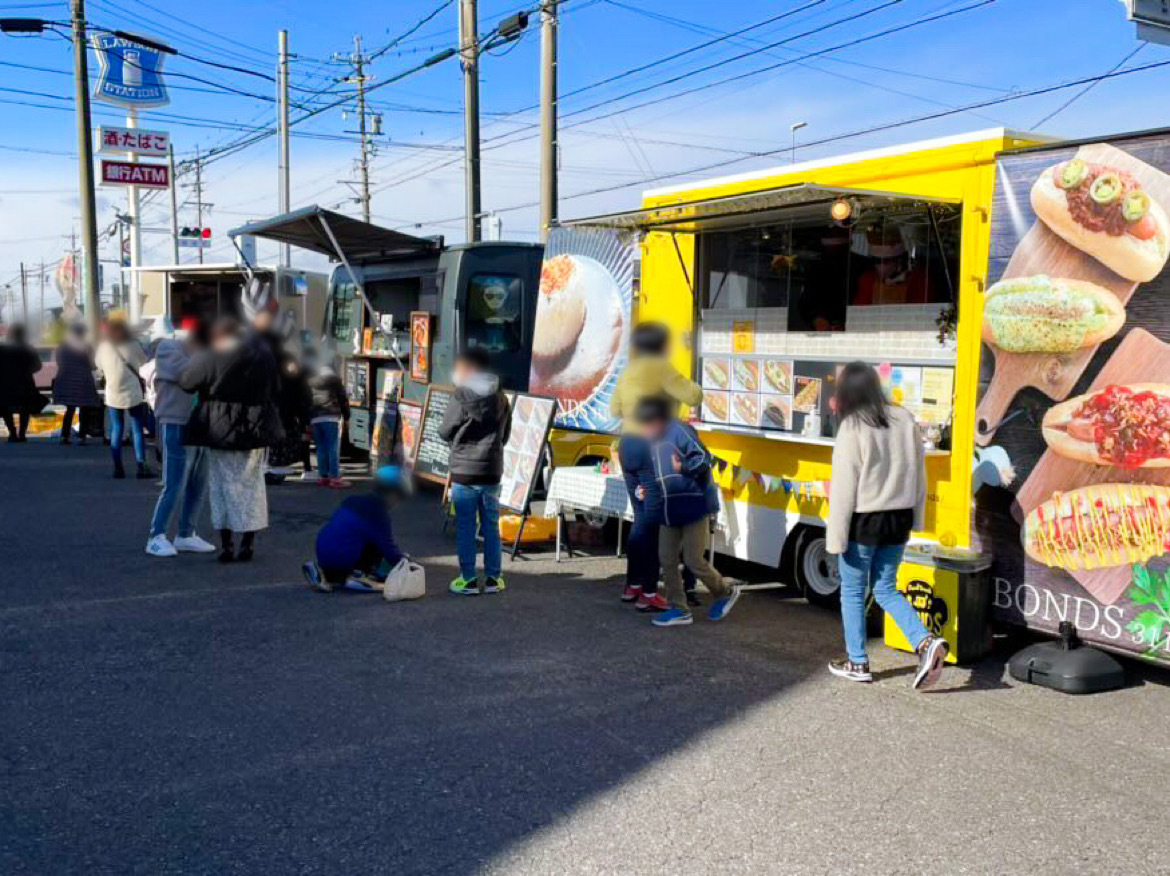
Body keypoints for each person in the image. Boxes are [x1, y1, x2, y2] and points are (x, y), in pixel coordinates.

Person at [826, 361, 948, 689]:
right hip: (900, 518)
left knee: (852, 591)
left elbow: (842, 489)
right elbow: (919, 474)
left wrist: (835, 539)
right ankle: (925, 642)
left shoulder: (853, 426)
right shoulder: (904, 418)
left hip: (864, 521)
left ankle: (857, 661)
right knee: (885, 588)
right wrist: (918, 517)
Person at [609, 322, 703, 612]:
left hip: (627, 447)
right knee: (653, 521)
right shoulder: (662, 368)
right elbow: (694, 396)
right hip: (651, 447)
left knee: (640, 518)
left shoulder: (629, 370)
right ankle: (649, 591)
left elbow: (614, 409)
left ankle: (632, 585)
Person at [623, 398, 740, 628]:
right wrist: (644, 488)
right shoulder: (652, 442)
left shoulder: (679, 431)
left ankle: (724, 591)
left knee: (693, 559)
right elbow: (656, 475)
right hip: (669, 508)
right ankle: (679, 608)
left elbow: (704, 458)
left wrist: (683, 467)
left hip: (693, 505)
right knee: (666, 558)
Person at [180, 317, 283, 563]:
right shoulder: (263, 353)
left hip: (219, 426)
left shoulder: (212, 353)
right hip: (255, 426)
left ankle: (226, 545)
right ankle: (248, 543)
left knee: (221, 485)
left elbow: (187, 382)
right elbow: (277, 386)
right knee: (252, 485)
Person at [439, 347, 510, 596]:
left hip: (464, 471)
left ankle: (468, 579)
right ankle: (493, 579)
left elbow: (445, 430)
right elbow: (506, 435)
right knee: (491, 525)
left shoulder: (460, 395)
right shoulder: (501, 398)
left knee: (466, 526)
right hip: (491, 470)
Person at [143, 324, 216, 558]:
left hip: (202, 425)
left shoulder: (205, 354)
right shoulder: (168, 348)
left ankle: (186, 533)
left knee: (198, 482)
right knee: (175, 482)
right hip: (176, 422)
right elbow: (188, 374)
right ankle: (156, 535)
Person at [303, 464, 409, 593]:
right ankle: (358, 574)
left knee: (355, 535)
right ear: (392, 493)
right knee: (377, 543)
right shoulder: (378, 514)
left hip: (323, 552)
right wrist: (406, 564)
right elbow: (388, 548)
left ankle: (325, 572)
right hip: (343, 558)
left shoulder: (351, 500)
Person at [95, 318, 152, 478]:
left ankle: (118, 468)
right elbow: (143, 363)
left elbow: (98, 366)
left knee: (117, 428)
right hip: (133, 392)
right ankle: (141, 466)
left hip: (113, 392)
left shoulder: (103, 347)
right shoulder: (133, 345)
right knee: (137, 429)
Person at [306, 351, 351, 489]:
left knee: (321, 448)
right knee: (333, 447)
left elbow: (306, 401)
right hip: (331, 417)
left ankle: (323, 476)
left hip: (315, 418)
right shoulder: (335, 380)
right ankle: (335, 477)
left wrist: (307, 419)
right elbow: (343, 400)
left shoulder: (310, 380)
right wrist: (347, 416)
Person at [53, 321, 102, 445]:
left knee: (69, 409)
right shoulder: (86, 346)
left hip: (66, 380)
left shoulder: (62, 346)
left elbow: (59, 362)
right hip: (83, 381)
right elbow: (93, 365)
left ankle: (65, 436)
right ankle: (82, 437)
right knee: (84, 409)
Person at [0, 324, 44, 443]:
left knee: (5, 409)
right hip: (25, 384)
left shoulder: (2, 349)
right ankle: (22, 434)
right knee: (25, 408)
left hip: (5, 386)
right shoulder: (28, 349)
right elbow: (38, 366)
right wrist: (26, 371)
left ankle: (12, 433)